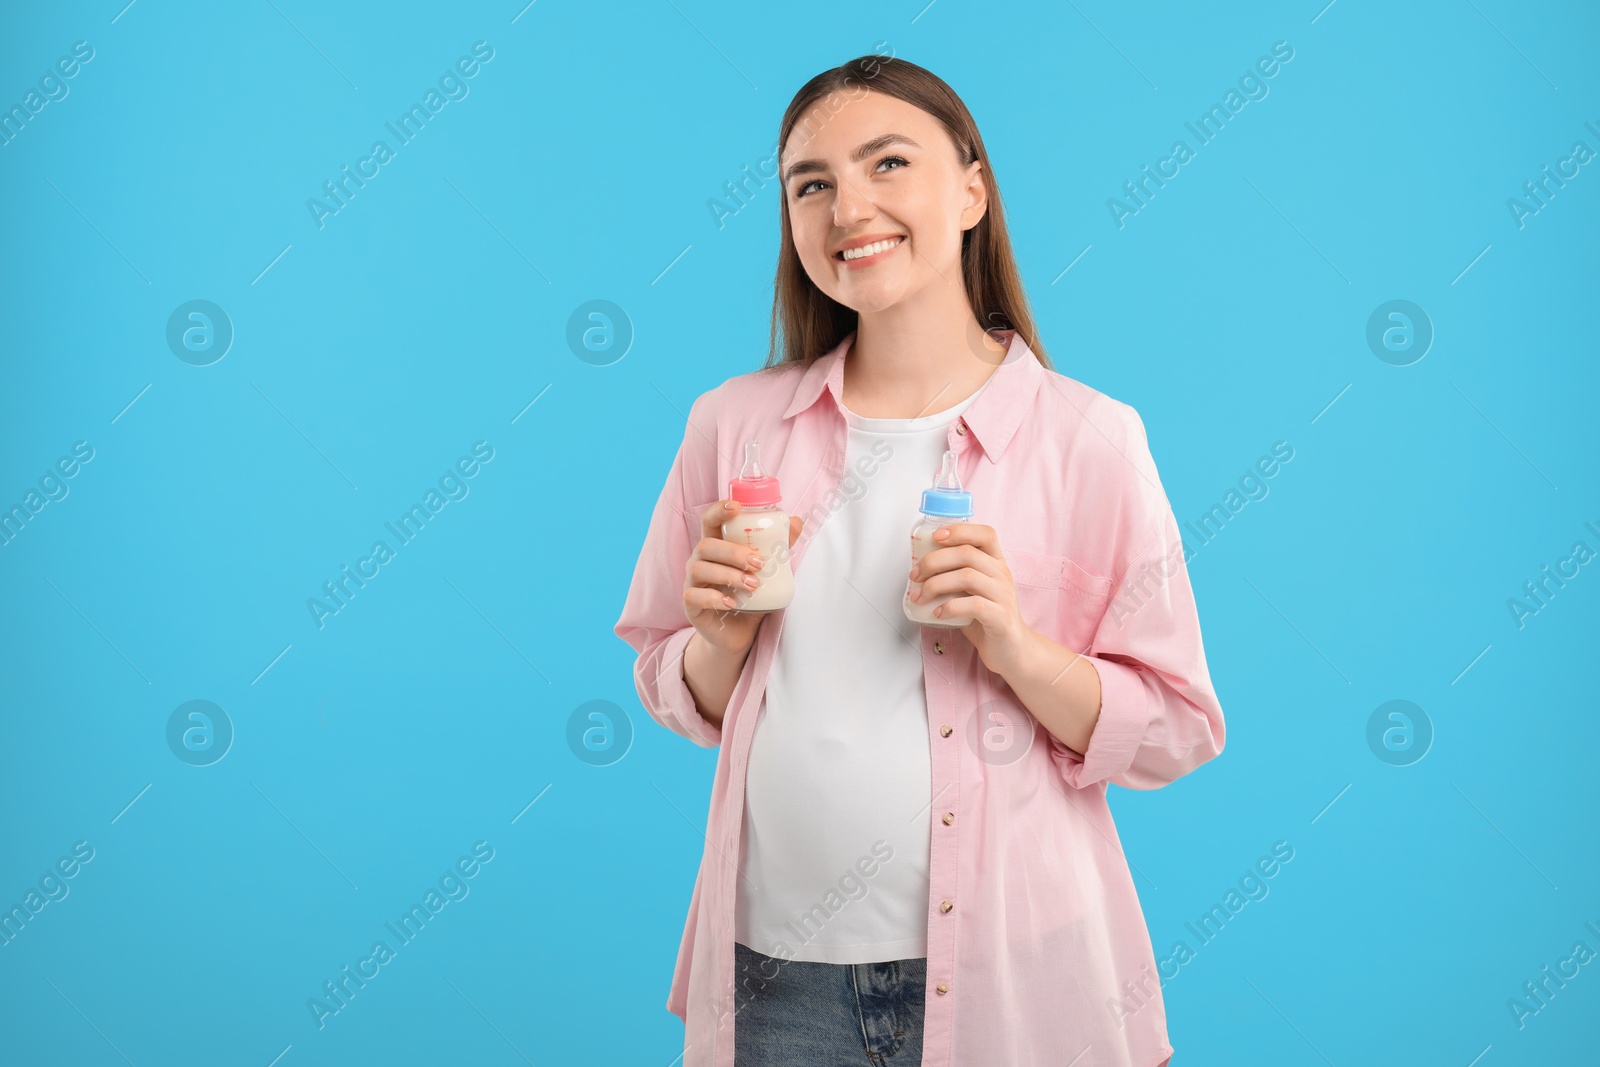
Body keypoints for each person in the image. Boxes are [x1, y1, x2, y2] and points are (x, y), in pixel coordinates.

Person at [614, 53, 1226, 1067]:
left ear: (973, 189)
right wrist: (715, 645)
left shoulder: (1091, 439)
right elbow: (665, 675)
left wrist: (1016, 646)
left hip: (1020, 976)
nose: (847, 204)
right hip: (776, 980)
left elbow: (1178, 727)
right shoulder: (732, 425)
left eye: (887, 162)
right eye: (810, 183)